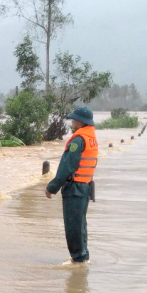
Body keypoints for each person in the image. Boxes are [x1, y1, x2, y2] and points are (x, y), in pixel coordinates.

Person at [45, 106, 99, 264]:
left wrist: (51, 187)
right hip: (85, 187)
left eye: (74, 119)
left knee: (73, 225)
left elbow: (67, 166)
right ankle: (83, 255)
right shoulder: (91, 138)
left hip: (75, 188)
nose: (72, 121)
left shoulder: (78, 140)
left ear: (81, 122)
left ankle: (78, 259)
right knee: (80, 223)